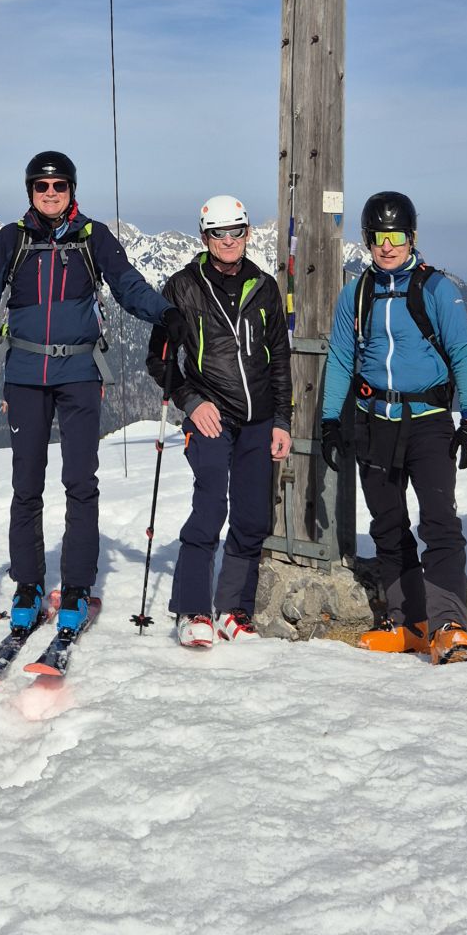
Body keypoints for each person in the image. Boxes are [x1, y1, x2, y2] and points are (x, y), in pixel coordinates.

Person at [0, 151, 183, 638]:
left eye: (58, 186)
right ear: (29, 191)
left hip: (79, 372)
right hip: (27, 374)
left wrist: (165, 313)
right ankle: (28, 585)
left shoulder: (93, 238)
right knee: (26, 484)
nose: (50, 194)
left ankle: (76, 585)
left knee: (80, 482)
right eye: (41, 186)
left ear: (72, 189)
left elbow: (128, 285)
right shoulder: (12, 240)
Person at [320, 191, 467, 666]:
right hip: (374, 423)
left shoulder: (436, 289)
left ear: (412, 237)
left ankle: (449, 624)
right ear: (367, 241)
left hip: (429, 422)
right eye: (377, 238)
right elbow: (340, 359)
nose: (387, 247)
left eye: (396, 237)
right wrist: (332, 419)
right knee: (388, 525)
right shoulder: (357, 294)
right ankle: (407, 622)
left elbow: (464, 353)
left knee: (439, 522)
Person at [148, 195, 291, 648]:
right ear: (204, 237)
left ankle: (234, 609)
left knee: (252, 517)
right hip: (210, 414)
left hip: (259, 420)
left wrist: (282, 420)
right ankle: (192, 608)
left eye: (236, 232)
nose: (228, 242)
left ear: (248, 234)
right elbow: (159, 360)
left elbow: (281, 361)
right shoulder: (182, 287)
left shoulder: (265, 287)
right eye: (218, 234)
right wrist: (190, 402)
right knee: (210, 506)